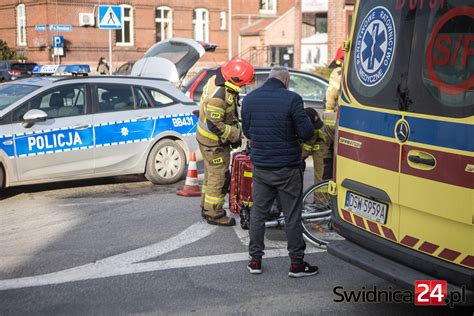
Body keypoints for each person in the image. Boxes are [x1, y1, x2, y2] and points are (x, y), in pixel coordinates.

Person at [241, 66, 320, 277]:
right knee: (292, 215)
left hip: (262, 168)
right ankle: (296, 264)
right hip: (287, 169)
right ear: (286, 81)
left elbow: (247, 131)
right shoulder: (293, 99)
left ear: (269, 79)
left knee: (258, 214)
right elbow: (306, 131)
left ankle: (255, 261)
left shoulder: (249, 100)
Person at [197, 57, 255, 227]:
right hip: (214, 143)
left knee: (210, 175)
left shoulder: (218, 79)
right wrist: (238, 135)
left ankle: (206, 207)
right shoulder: (219, 95)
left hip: (207, 141)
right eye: (243, 83)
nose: (243, 86)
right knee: (219, 176)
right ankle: (215, 214)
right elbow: (215, 124)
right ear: (235, 79)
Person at [322, 46, 345, 178]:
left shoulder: (338, 73)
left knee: (328, 151)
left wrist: (328, 114)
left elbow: (331, 96)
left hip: (337, 118)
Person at [301, 107, 328, 183]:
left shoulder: (316, 132)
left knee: (321, 176)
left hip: (320, 149)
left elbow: (306, 149)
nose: (315, 129)